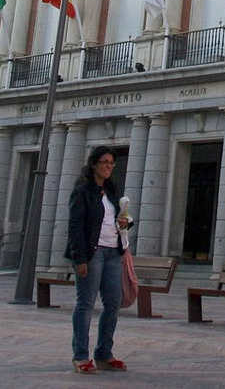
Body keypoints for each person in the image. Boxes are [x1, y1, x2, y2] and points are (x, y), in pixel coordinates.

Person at [66, 145, 132, 374]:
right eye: (104, 162)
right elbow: (75, 226)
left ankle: (104, 353)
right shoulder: (83, 192)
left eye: (112, 163)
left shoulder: (112, 191)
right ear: (93, 164)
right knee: (86, 303)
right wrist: (80, 258)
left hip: (113, 252)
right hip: (92, 252)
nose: (109, 166)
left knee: (113, 303)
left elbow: (122, 217)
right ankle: (80, 356)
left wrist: (126, 222)